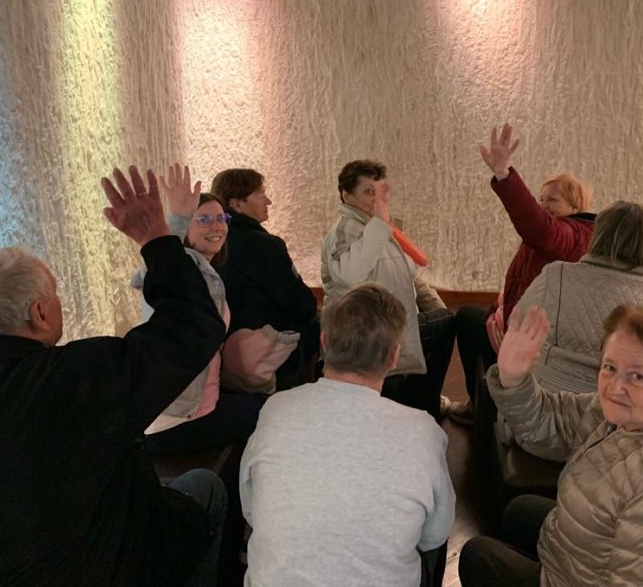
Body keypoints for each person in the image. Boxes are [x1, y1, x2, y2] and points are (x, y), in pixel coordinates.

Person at [0, 166, 227, 586]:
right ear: (40, 313)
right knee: (205, 488)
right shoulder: (81, 376)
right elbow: (194, 329)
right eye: (55, 296)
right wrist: (156, 236)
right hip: (100, 570)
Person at [460, 304, 643, 587]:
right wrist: (514, 378)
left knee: (478, 555)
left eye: (638, 376)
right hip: (594, 556)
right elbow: (550, 420)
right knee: (518, 510)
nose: (614, 387)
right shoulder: (638, 413)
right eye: (610, 367)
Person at [239, 283, 455, 587]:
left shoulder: (276, 408)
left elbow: (250, 508)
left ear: (324, 342)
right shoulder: (423, 430)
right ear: (394, 356)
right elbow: (434, 534)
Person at [450, 124, 596, 425]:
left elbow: (536, 224)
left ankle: (484, 409)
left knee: (465, 319)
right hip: (530, 326)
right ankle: (487, 404)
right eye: (541, 199)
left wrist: (504, 176)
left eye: (552, 200)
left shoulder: (569, 234)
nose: (543, 206)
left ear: (575, 205)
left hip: (537, 339)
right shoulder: (569, 234)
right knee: (478, 318)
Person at [133, 170, 267, 455]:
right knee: (268, 412)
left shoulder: (204, 271)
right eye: (204, 219)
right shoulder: (183, 270)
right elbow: (154, 270)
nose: (217, 226)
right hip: (177, 419)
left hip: (194, 406)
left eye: (222, 218)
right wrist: (177, 220)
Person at [321, 159, 454, 420]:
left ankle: (423, 402)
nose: (376, 199)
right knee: (446, 324)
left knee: (444, 320)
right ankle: (426, 405)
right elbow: (349, 276)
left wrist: (435, 306)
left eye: (380, 192)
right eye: (368, 192)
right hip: (365, 334)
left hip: (394, 324)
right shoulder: (347, 231)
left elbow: (411, 276)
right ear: (346, 195)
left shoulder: (380, 227)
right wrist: (381, 224)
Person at [517, 200, 643, 397]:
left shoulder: (556, 275)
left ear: (598, 236)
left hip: (547, 400)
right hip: (626, 406)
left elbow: (518, 326)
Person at [211, 168, 319, 386]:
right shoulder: (265, 246)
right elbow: (302, 304)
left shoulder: (209, 243)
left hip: (221, 358)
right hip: (268, 360)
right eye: (260, 193)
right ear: (236, 204)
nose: (268, 201)